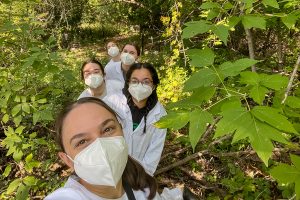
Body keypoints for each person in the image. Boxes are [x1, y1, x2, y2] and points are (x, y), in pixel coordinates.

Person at [45, 97, 184, 200]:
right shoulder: (68, 197)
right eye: (82, 142)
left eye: (107, 129)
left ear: (122, 131)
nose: (102, 147)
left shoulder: (143, 189)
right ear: (67, 160)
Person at [106, 63, 166, 176]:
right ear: (128, 83)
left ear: (154, 86)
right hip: (108, 169)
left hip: (138, 174)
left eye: (146, 81)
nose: (140, 85)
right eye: (134, 81)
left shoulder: (160, 115)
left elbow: (154, 153)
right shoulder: (111, 102)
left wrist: (141, 177)